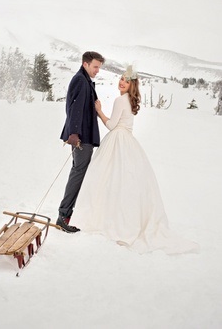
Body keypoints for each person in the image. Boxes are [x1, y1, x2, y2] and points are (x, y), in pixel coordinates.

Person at [71, 66, 199, 254]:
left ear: (131, 86)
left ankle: (103, 218)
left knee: (104, 178)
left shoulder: (119, 100)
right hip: (128, 142)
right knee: (124, 182)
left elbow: (112, 125)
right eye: (121, 79)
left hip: (117, 141)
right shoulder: (130, 101)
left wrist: (98, 110)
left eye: (126, 81)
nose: (121, 82)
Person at [56, 51, 105, 233]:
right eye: (95, 67)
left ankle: (67, 214)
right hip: (81, 137)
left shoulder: (85, 80)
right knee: (78, 173)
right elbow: (74, 108)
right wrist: (74, 134)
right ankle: (63, 216)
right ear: (85, 64)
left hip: (83, 135)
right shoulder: (80, 80)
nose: (97, 71)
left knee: (79, 172)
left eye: (99, 67)